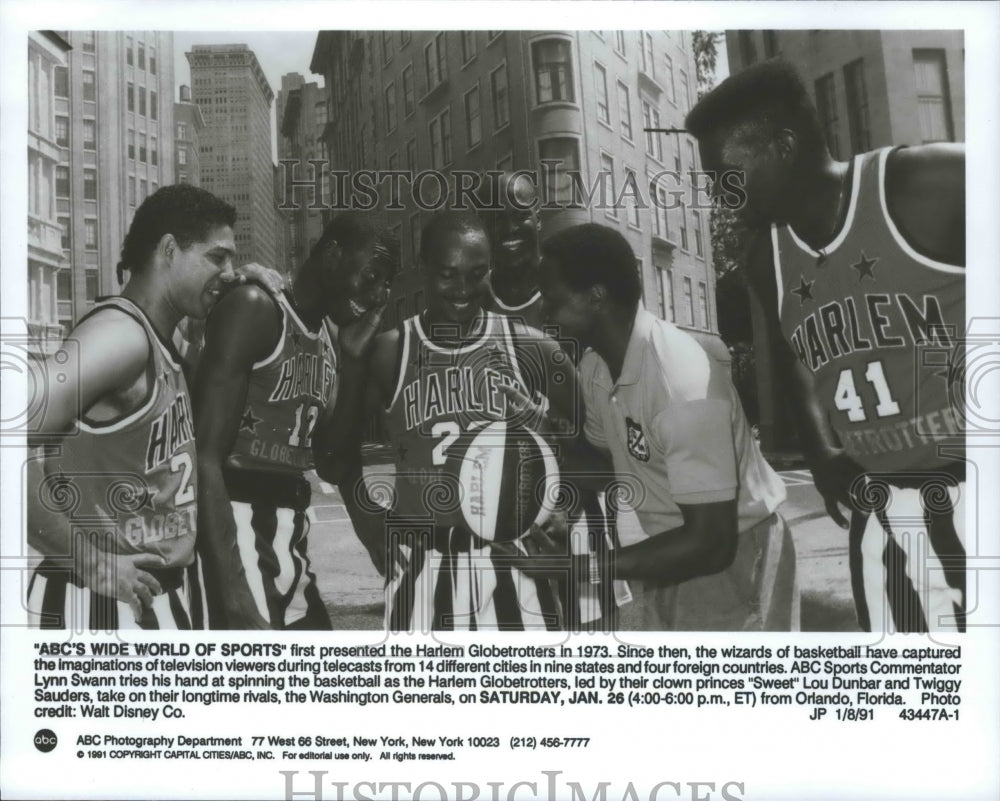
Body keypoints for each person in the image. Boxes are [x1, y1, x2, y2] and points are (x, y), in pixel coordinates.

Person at [686, 59, 965, 632]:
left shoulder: (925, 185)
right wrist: (817, 450)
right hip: (885, 509)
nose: (719, 195)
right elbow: (789, 350)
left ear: (784, 145)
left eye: (726, 175)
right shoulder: (765, 258)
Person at [533, 223, 799, 631]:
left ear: (595, 297)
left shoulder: (680, 377)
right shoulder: (595, 367)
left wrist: (579, 567)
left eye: (552, 299)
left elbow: (712, 544)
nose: (543, 313)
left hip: (736, 556)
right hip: (674, 552)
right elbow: (607, 470)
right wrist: (543, 437)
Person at [348, 211, 580, 631]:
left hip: (513, 560)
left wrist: (567, 505)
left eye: (476, 274)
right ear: (423, 270)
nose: (462, 290)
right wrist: (369, 522)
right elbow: (335, 449)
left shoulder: (529, 346)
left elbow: (593, 438)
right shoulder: (390, 352)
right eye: (447, 275)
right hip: (424, 561)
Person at [25, 185, 239, 629]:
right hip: (100, 605)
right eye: (218, 258)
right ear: (168, 250)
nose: (231, 272)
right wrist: (90, 563)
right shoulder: (120, 337)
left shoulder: (164, 341)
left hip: (153, 598)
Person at [193, 212, 396, 630]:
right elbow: (203, 455)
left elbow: (333, 463)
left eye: (384, 286)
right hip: (238, 527)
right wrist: (232, 592)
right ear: (334, 255)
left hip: (288, 536)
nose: (376, 296)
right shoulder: (256, 307)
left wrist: (355, 363)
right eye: (371, 276)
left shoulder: (327, 338)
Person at [481, 171, 629, 630]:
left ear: (537, 219)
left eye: (519, 215)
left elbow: (606, 422)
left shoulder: (575, 296)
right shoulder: (465, 301)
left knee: (594, 644)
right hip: (500, 514)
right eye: (494, 217)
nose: (508, 228)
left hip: (579, 503)